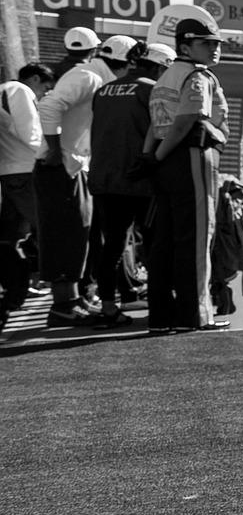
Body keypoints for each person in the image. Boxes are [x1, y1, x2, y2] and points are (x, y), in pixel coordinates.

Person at [145, 13, 232, 334]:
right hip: (191, 156)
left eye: (216, 44)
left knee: (164, 240)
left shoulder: (166, 75)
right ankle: (194, 315)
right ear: (185, 45)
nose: (214, 49)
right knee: (196, 238)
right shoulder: (198, 76)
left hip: (166, 161)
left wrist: (151, 157)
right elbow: (187, 120)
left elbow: (157, 125)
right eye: (206, 43)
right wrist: (162, 153)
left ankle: (162, 315)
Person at [86, 36, 159, 326]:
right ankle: (161, 303)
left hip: (104, 178)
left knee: (111, 246)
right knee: (154, 243)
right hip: (139, 179)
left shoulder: (103, 91)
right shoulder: (151, 90)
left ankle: (107, 307)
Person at [36, 26, 105, 325]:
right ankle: (63, 306)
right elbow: (49, 106)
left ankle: (72, 301)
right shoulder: (84, 74)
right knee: (66, 236)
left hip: (67, 164)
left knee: (74, 235)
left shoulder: (65, 71)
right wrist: (53, 148)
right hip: (61, 166)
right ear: (96, 49)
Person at [1, 63, 53, 331]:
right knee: (50, 229)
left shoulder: (6, 91)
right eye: (44, 87)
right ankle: (61, 289)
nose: (45, 94)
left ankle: (15, 292)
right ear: (34, 79)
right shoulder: (18, 90)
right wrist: (53, 154)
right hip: (24, 171)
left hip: (9, 173)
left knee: (12, 238)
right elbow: (31, 133)